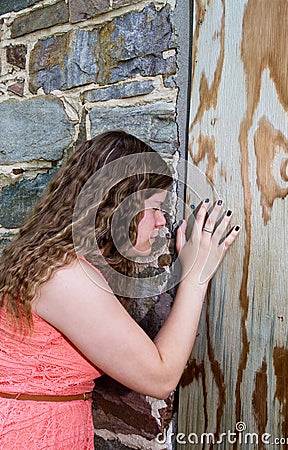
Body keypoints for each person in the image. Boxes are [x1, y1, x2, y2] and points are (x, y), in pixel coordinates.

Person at [0, 130, 240, 449]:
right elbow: (160, 378)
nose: (161, 222)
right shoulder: (66, 276)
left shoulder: (57, 261)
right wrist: (196, 275)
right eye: (153, 208)